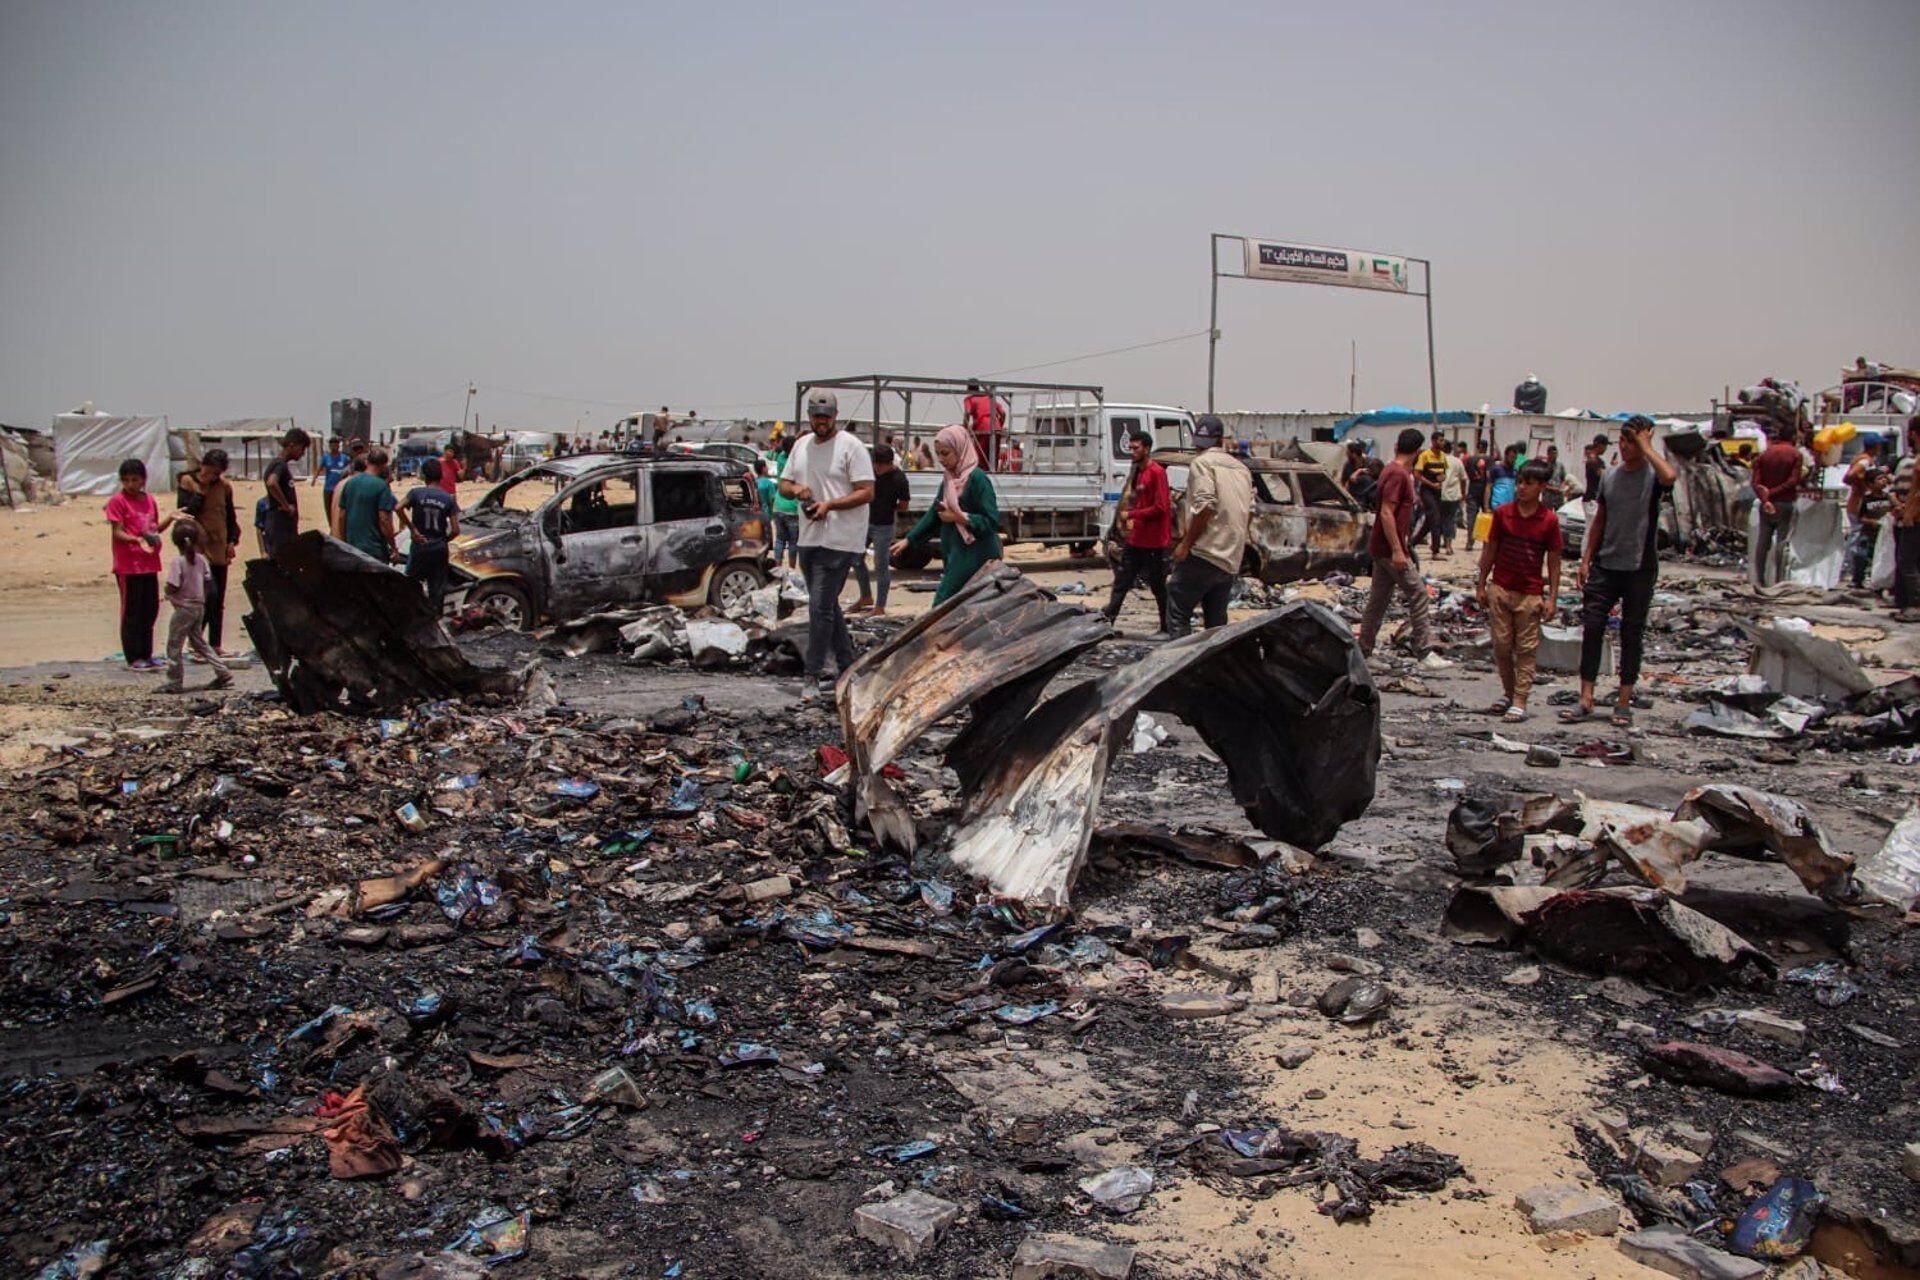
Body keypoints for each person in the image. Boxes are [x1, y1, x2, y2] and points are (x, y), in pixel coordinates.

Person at [1560, 416, 1677, 727]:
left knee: (1631, 633)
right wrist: (1586, 558)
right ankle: (1586, 697)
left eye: (1631, 442)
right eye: (1622, 442)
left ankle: (1623, 700)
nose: (1625, 448)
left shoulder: (1652, 476)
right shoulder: (1611, 477)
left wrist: (1646, 446)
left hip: (1639, 566)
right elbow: (1600, 519)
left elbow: (1670, 475)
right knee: (1593, 628)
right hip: (1606, 564)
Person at [780, 389, 874, 701]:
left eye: (827, 417)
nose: (821, 422)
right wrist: (798, 490)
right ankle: (847, 667)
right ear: (809, 417)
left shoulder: (851, 447)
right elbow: (784, 482)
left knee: (819, 608)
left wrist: (830, 505)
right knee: (827, 606)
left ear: (835, 416)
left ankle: (813, 674)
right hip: (808, 535)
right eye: (816, 417)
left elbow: (866, 491)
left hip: (840, 539)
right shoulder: (801, 445)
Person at [1475, 460, 1562, 722]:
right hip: (1501, 588)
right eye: (1520, 482)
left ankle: (1520, 699)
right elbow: (1490, 549)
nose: (1522, 488)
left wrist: (1553, 597)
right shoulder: (1503, 514)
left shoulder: (1548, 520)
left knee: (1526, 649)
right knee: (1501, 646)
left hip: (1530, 593)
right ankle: (1510, 692)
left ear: (1542, 487)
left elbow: (1554, 561)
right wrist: (1481, 583)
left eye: (1528, 483)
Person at [1165, 415, 1252, 638]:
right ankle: (1214, 667)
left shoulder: (1201, 463)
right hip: (1229, 559)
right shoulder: (1241, 469)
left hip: (1204, 553)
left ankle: (1179, 666)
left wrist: (1185, 544)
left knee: (1178, 610)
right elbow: (1249, 512)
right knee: (1216, 623)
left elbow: (1206, 507)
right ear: (1221, 440)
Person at [895, 424, 1001, 606]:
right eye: (938, 454)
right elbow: (935, 513)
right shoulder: (949, 479)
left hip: (975, 554)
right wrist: (909, 540)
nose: (941, 459)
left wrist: (959, 517)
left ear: (960, 450)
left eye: (946, 453)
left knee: (942, 603)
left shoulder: (977, 479)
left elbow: (991, 521)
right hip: (955, 552)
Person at [1356, 428, 1437, 658]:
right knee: (1419, 593)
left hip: (1382, 548)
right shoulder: (1397, 474)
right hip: (1389, 550)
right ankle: (1423, 650)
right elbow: (1386, 513)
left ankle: (1363, 649)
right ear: (1418, 451)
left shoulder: (1393, 471)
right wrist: (1397, 551)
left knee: (1378, 601)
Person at [106, 457, 174, 671]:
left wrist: (171, 518)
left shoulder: (149, 500)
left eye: (135, 480)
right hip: (128, 564)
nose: (131, 485)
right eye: (126, 480)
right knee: (132, 612)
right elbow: (117, 532)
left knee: (150, 609)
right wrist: (136, 539)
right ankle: (133, 656)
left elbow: (153, 530)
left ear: (143, 480)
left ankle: (147, 653)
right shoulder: (118, 501)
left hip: (149, 562)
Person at [1102, 431, 1172, 635]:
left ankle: (1166, 627)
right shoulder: (1138, 472)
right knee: (1122, 581)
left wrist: (1132, 514)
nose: (1132, 452)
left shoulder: (1156, 472)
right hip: (1137, 539)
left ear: (1147, 449)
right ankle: (1108, 622)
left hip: (1153, 542)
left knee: (1158, 585)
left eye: (1136, 448)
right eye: (1130, 448)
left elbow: (1161, 507)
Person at [176, 449, 241, 655]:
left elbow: (230, 517)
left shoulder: (224, 487)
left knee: (218, 598)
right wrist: (201, 492)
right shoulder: (188, 482)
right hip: (198, 550)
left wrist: (232, 541)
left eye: (216, 474)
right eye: (210, 472)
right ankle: (196, 642)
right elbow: (186, 514)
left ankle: (215, 644)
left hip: (219, 547)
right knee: (206, 596)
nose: (213, 477)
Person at [158, 519, 232, 694]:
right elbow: (207, 582)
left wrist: (167, 592)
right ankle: (222, 671)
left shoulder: (178, 562)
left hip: (184, 609)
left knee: (174, 645)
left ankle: (174, 681)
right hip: (199, 607)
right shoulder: (201, 560)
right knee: (199, 642)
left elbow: (174, 585)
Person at [850, 444, 911, 616]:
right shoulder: (870, 474)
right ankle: (865, 597)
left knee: (881, 565)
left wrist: (889, 508)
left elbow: (904, 505)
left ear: (889, 463)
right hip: (865, 522)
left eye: (880, 465)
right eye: (875, 464)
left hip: (884, 526)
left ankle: (880, 606)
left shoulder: (899, 479)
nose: (877, 468)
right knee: (855, 559)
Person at [400, 457, 461, 614]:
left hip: (420, 546)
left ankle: (411, 617)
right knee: (437, 590)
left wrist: (413, 530)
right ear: (440, 476)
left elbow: (398, 507)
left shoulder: (416, 493)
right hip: (439, 548)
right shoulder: (448, 498)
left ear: (424, 476)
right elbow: (455, 530)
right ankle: (435, 620)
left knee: (411, 585)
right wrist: (444, 539)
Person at [1751, 426, 1805, 587]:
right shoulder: (1795, 454)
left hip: (1766, 504)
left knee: (1763, 542)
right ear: (1793, 437)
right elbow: (1793, 481)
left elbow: (1755, 483)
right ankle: (1779, 580)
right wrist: (1774, 493)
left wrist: (1766, 498)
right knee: (1782, 542)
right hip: (1784, 502)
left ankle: (1759, 579)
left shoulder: (1764, 454)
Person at [333, 446, 399, 563]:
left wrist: (344, 543)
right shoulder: (382, 487)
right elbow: (384, 520)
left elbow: (342, 516)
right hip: (374, 550)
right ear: (384, 465)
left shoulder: (350, 483)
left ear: (367, 462)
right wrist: (393, 547)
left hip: (352, 548)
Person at [260, 428, 312, 556]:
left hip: (280, 526)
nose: (302, 453)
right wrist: (286, 506)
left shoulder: (278, 464)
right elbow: (272, 483)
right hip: (280, 527)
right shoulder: (280, 465)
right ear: (292, 445)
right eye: (302, 449)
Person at [1893, 417, 1920, 621]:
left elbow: (1917, 493)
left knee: (1907, 562)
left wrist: (1908, 512)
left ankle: (1915, 604)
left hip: (1915, 518)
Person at [1854, 463, 1891, 591]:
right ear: (1870, 484)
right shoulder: (1866, 499)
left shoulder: (1889, 497)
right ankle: (1857, 580)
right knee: (1862, 556)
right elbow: (1860, 517)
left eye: (1884, 478)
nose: (1883, 481)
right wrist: (1872, 522)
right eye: (1879, 479)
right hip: (1869, 534)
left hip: (1884, 535)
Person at [1414, 430, 1451, 556]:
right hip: (1427, 490)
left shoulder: (1442, 456)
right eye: (1440, 440)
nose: (1443, 442)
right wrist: (1431, 484)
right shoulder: (1425, 455)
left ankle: (1411, 544)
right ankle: (1435, 551)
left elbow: (1443, 472)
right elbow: (1417, 474)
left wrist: (1441, 479)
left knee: (1430, 522)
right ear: (1434, 441)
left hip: (1437, 491)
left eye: (1443, 440)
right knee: (1435, 519)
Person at [770, 441, 801, 570]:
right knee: (793, 542)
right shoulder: (797, 463)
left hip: (778, 505)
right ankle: (792, 569)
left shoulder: (781, 459)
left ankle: (778, 566)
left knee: (780, 539)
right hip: (793, 508)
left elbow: (784, 448)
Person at [962, 380, 1005, 470]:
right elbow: (1003, 413)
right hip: (996, 426)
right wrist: (1000, 426)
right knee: (993, 457)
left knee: (980, 456)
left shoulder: (969, 399)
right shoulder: (988, 397)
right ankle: (993, 474)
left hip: (983, 427)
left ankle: (982, 476)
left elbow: (967, 413)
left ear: (968, 390)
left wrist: (964, 429)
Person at [1438, 440, 1468, 556]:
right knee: (1450, 520)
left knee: (1440, 519)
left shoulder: (1438, 461)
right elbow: (1463, 478)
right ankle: (1449, 545)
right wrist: (1463, 493)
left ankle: (1442, 542)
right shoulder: (1457, 461)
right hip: (1453, 495)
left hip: (1440, 494)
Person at [315, 437, 352, 519]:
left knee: (339, 509)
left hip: (340, 489)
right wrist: (314, 478)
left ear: (339, 445)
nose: (334, 446)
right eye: (332, 444)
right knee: (328, 510)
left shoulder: (345, 458)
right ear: (329, 446)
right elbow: (319, 468)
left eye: (336, 444)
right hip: (328, 488)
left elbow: (350, 470)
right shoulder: (326, 457)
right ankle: (331, 528)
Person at [1463, 441, 1491, 550]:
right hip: (1485, 491)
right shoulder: (1489, 459)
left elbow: (1468, 474)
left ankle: (1470, 541)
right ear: (1486, 447)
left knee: (1471, 518)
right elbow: (1489, 476)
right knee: (1487, 517)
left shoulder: (1470, 459)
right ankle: (1485, 542)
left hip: (1473, 488)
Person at [1581, 435, 1608, 521]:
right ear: (1600, 445)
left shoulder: (1597, 460)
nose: (1606, 449)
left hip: (1594, 499)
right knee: (1592, 528)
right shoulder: (1593, 460)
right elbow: (1603, 476)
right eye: (1605, 446)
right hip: (1592, 499)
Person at [1541, 445, 1570, 511]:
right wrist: (1552, 488)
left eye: (1555, 453)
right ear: (1548, 454)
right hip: (1548, 496)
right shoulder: (1544, 466)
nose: (1554, 455)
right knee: (1547, 515)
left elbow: (1563, 479)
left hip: (1558, 496)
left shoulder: (1560, 465)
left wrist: (1561, 487)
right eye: (1552, 453)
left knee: (1560, 515)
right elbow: (1542, 483)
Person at [754, 459, 778, 525]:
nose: (768, 468)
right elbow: (772, 500)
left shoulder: (754, 482)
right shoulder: (768, 483)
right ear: (763, 468)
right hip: (767, 515)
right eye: (766, 467)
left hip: (756, 515)